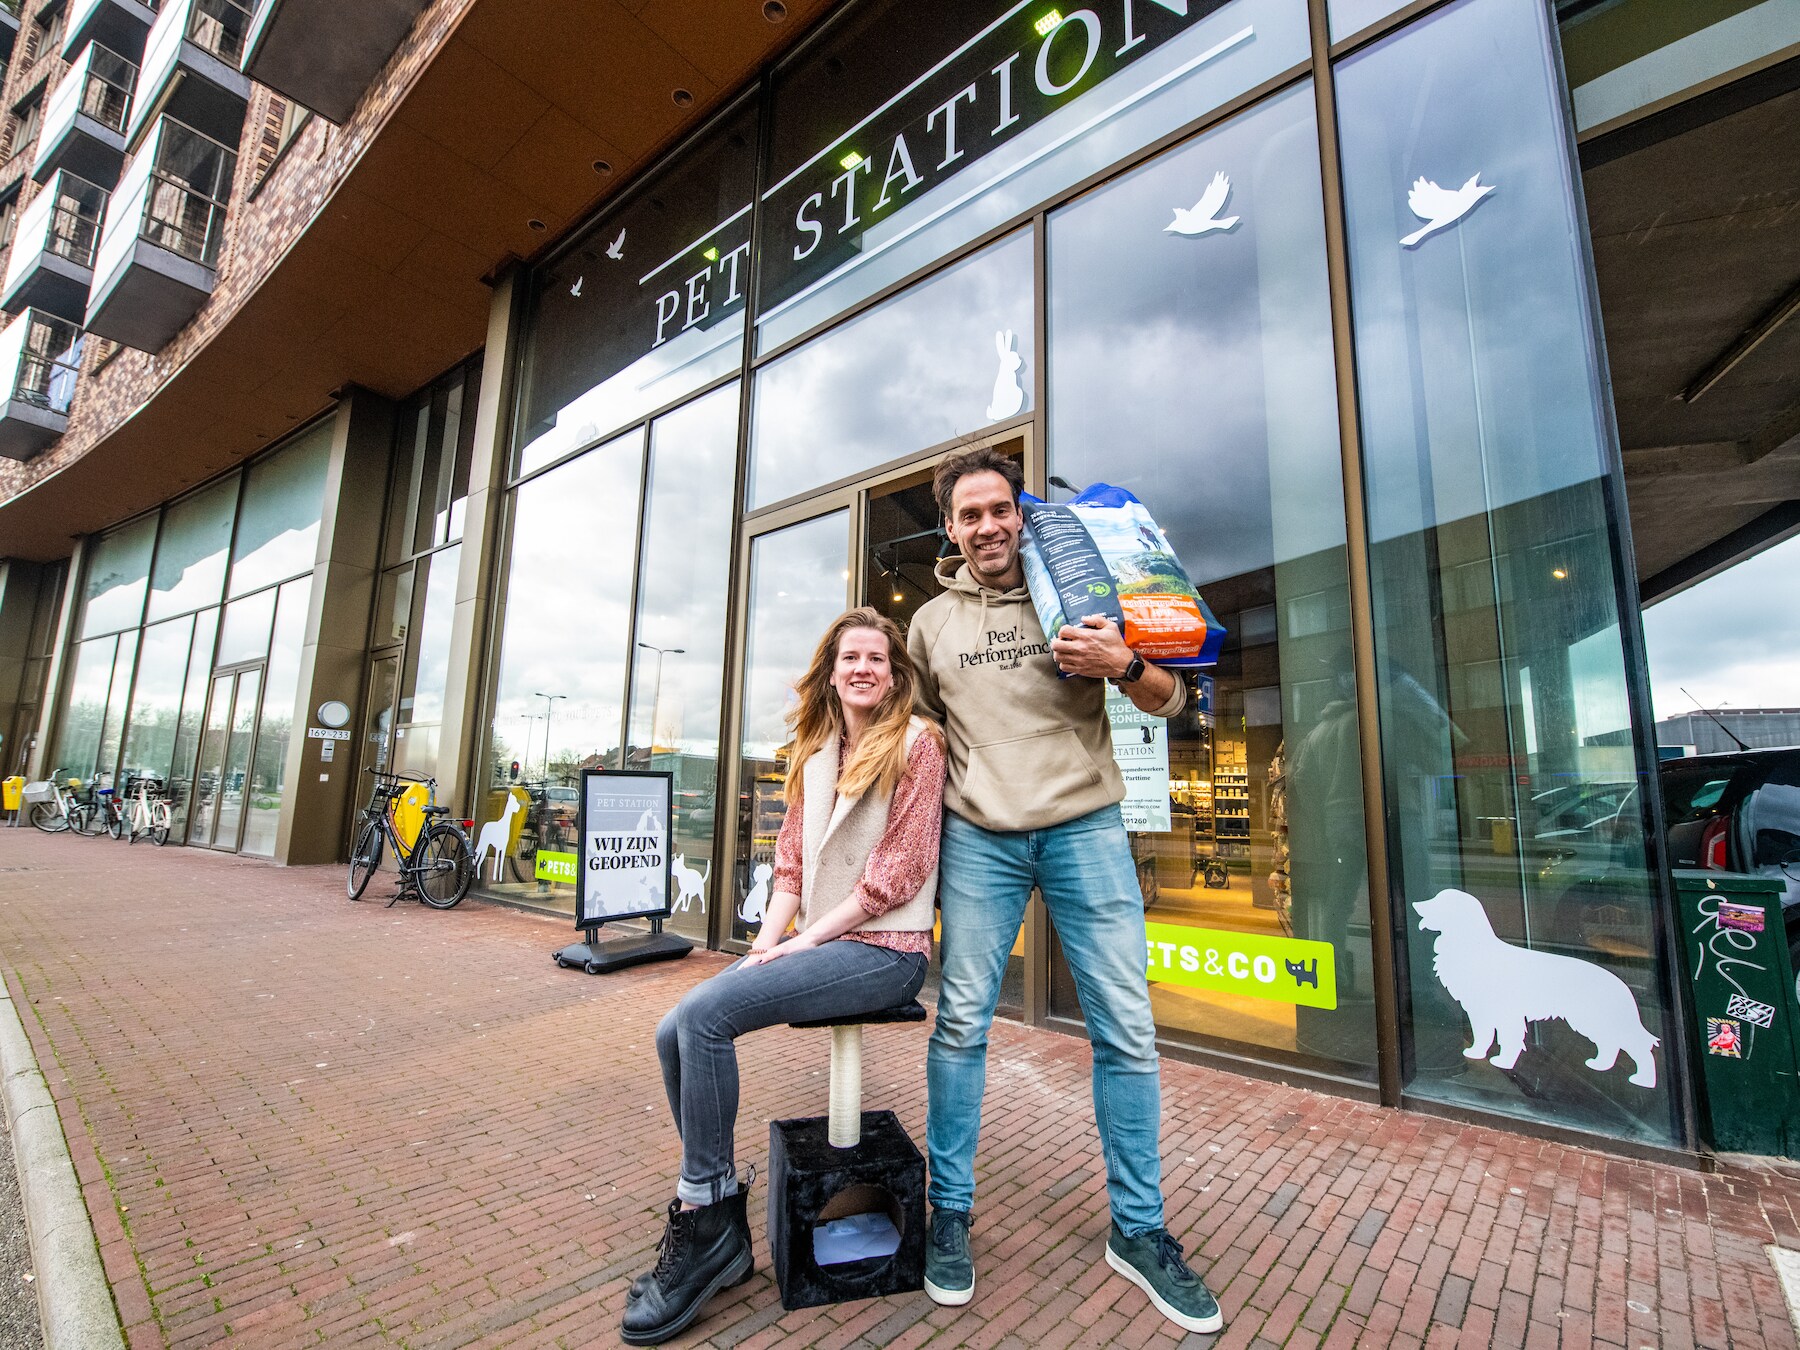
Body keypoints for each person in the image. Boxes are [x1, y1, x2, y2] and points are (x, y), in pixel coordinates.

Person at [907, 447, 1223, 1335]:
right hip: (981, 838)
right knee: (961, 1024)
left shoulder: (1080, 592)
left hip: (1087, 829)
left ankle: (1139, 1228)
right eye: (970, 516)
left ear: (1022, 513)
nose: (988, 527)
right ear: (951, 529)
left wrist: (1121, 664)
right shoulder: (929, 624)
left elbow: (1173, 702)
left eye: (1000, 509)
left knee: (1126, 1029)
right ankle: (950, 1213)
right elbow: (917, 736)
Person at [622, 608, 944, 1345]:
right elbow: (791, 871)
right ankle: (719, 1208)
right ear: (830, 673)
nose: (863, 668)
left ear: (894, 675)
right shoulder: (816, 749)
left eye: (877, 658)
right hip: (820, 942)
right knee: (675, 1027)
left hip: (887, 951)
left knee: (706, 1018)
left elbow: (897, 876)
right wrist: (765, 947)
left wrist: (803, 944)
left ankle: (705, 1222)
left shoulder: (918, 745)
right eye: (850, 657)